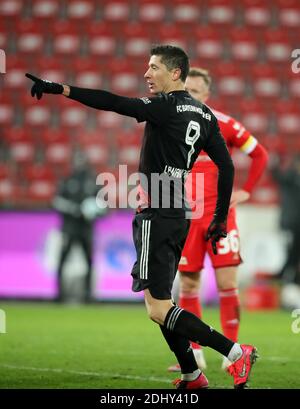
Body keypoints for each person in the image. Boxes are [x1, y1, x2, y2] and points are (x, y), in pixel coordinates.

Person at [25, 44, 257, 389]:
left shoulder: (165, 107)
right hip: (179, 212)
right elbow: (226, 165)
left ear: (175, 72)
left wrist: (62, 89)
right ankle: (192, 374)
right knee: (165, 300)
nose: (147, 74)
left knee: (158, 308)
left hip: (157, 211)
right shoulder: (206, 115)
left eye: (154, 68)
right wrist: (220, 217)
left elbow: (115, 102)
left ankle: (236, 352)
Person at [168, 67, 268, 372]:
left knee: (227, 283)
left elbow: (260, 154)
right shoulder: (172, 122)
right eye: (187, 90)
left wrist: (247, 191)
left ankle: (232, 352)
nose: (191, 96)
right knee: (188, 284)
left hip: (220, 217)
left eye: (196, 92)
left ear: (207, 95)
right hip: (187, 218)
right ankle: (195, 353)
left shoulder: (223, 123)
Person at [53, 152, 103, 303]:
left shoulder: (93, 182)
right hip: (70, 228)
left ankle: (89, 295)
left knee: (89, 262)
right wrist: (74, 209)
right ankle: (59, 294)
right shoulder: (68, 180)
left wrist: (93, 210)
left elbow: (103, 205)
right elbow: (56, 201)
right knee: (62, 260)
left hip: (86, 229)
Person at [271, 153, 300, 308]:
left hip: (297, 225)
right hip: (290, 224)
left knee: (294, 258)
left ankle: (289, 284)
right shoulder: (289, 178)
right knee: (290, 256)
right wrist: (274, 162)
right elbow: (276, 175)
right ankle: (285, 285)